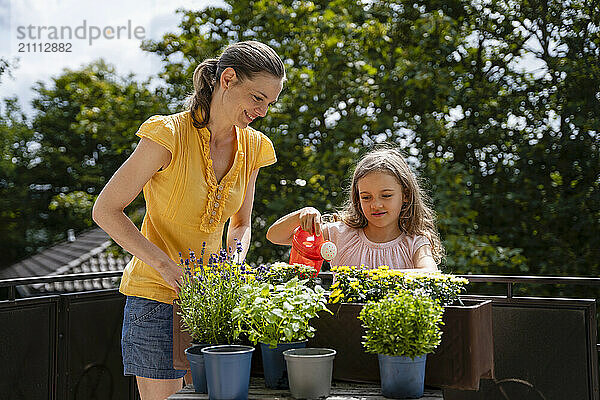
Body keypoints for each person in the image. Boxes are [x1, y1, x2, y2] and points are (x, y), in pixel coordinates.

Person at [92, 40, 285, 399]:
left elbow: (241, 224)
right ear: (227, 78)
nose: (263, 110)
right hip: (155, 300)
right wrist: (166, 267)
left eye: (269, 103)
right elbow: (105, 210)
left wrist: (234, 262)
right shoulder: (168, 135)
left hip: (209, 304)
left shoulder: (255, 147)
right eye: (258, 97)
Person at [266, 147, 443, 271]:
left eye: (386, 195)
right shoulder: (339, 234)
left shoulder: (415, 241)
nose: (376, 205)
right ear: (357, 198)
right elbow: (274, 236)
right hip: (344, 323)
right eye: (366, 197)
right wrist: (301, 214)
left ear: (405, 195)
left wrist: (373, 277)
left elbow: (430, 274)